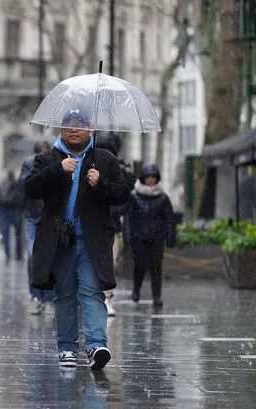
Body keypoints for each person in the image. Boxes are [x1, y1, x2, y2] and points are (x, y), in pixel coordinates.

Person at [25, 109, 129, 370]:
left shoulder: (102, 160)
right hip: (60, 239)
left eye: (80, 126)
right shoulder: (48, 158)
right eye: (69, 126)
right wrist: (57, 170)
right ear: (61, 130)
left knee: (92, 292)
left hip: (92, 241)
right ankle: (67, 348)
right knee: (66, 295)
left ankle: (96, 345)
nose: (74, 130)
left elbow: (123, 193)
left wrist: (100, 182)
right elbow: (30, 188)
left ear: (90, 130)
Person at [123, 163, 176, 309]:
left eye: (153, 177)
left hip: (157, 237)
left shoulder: (163, 198)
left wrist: (170, 237)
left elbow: (169, 218)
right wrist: (127, 237)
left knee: (156, 267)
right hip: (139, 237)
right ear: (143, 178)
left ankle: (156, 296)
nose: (151, 180)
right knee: (139, 265)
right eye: (148, 177)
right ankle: (136, 289)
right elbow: (128, 218)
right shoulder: (134, 196)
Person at [94, 135, 136, 317]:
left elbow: (126, 194)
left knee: (110, 263)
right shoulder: (89, 166)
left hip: (111, 226)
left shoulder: (119, 170)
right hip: (92, 226)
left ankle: (107, 297)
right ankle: (96, 297)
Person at [17, 140, 54, 315]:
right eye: (40, 152)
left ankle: (48, 297)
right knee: (32, 255)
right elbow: (21, 186)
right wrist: (35, 172)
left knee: (49, 258)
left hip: (49, 216)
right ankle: (35, 295)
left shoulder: (56, 163)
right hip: (32, 216)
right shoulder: (28, 164)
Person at [0, 170, 23, 263]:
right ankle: (18, 255)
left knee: (5, 235)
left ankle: (7, 255)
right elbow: (22, 198)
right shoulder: (17, 185)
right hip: (16, 211)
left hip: (3, 211)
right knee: (18, 235)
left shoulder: (2, 185)